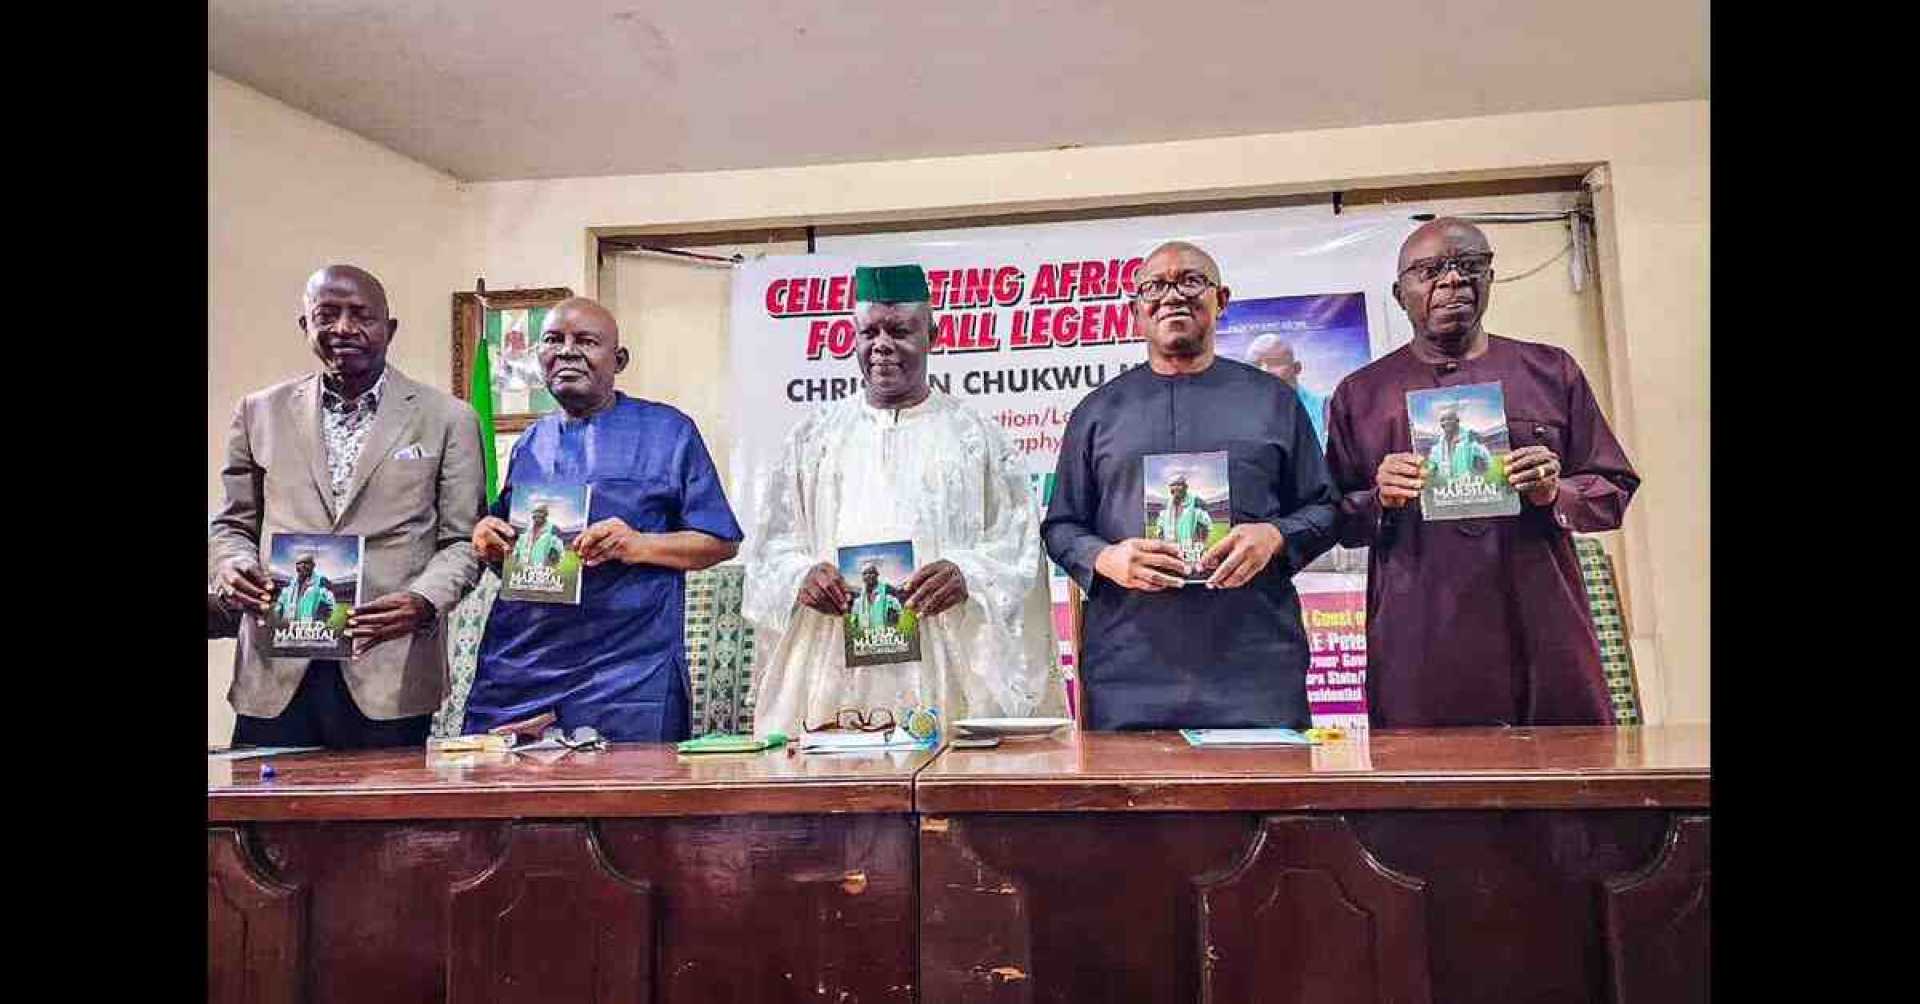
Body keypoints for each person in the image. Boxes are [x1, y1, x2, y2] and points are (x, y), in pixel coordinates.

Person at [1324, 218, 1641, 726]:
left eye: (1468, 265)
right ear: (1400, 293)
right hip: (1420, 633)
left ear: (1489, 278)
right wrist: (1380, 497)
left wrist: (1554, 492)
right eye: (1430, 270)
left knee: (1565, 767)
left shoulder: (1550, 371)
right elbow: (1335, 516)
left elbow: (1613, 487)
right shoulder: (1361, 393)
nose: (1452, 279)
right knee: (1426, 772)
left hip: (1540, 622)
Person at [742, 264, 1063, 735]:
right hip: (832, 665)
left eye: (899, 331)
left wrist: (966, 574)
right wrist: (802, 576)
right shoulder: (814, 439)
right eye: (869, 332)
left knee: (949, 773)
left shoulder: (976, 438)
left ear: (932, 335)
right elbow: (772, 548)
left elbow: (1019, 552)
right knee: (836, 777)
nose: (882, 345)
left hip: (947, 662)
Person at [1042, 241, 1338, 729]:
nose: (1172, 295)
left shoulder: (1273, 402)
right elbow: (1061, 527)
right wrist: (1106, 557)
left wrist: (1274, 536)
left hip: (1255, 665)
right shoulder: (1097, 413)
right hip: (1128, 668)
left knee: (1267, 782)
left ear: (1221, 300)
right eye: (1154, 287)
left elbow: (1325, 509)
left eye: (1191, 281)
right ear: (1136, 312)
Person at [209, 264, 486, 748]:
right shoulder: (259, 411)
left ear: (389, 329)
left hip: (389, 666)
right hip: (275, 669)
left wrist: (423, 601)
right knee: (262, 798)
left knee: (386, 802)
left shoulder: (448, 418)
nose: (343, 327)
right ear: (306, 325)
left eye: (361, 315)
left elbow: (463, 540)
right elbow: (232, 524)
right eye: (327, 315)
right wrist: (231, 566)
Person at [465, 297, 742, 742]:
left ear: (619, 360)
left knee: (628, 785)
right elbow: (507, 547)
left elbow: (720, 541)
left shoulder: (668, 431)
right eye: (553, 340)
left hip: (628, 668)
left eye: (586, 341)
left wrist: (638, 545)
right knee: (493, 782)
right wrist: (486, 536)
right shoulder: (531, 441)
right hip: (524, 663)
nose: (567, 351)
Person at [1245, 333, 1329, 444]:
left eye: (1274, 363)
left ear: (1297, 368)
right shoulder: (1238, 416)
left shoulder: (1327, 411)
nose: (1264, 371)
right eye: (1255, 365)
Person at [1425, 404, 1491, 484]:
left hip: (1467, 486)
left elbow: (1486, 463)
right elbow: (1432, 468)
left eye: (1449, 419)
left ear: (1457, 420)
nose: (1446, 422)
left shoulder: (1471, 440)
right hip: (1445, 488)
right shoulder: (1437, 447)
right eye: (1442, 420)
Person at [275, 550, 338, 623]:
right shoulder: (290, 584)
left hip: (311, 627)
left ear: (313, 565)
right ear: (296, 566)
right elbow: (280, 605)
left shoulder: (322, 581)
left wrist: (320, 621)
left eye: (306, 563)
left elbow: (330, 605)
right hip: (289, 626)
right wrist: (280, 620)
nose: (302, 566)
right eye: (299, 563)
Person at [849, 561, 903, 633]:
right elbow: (853, 620)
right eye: (865, 573)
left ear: (877, 574)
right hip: (865, 637)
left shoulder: (888, 593)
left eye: (871, 572)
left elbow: (899, 613)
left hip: (885, 636)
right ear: (862, 577)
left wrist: (893, 626)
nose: (868, 575)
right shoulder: (858, 600)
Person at [511, 500, 565, 568]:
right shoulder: (526, 530)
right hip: (524, 570)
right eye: (535, 512)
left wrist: (552, 562)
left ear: (546, 514)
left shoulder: (554, 529)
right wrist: (516, 562)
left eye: (540, 512)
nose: (537, 514)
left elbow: (558, 552)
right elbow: (517, 549)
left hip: (542, 571)